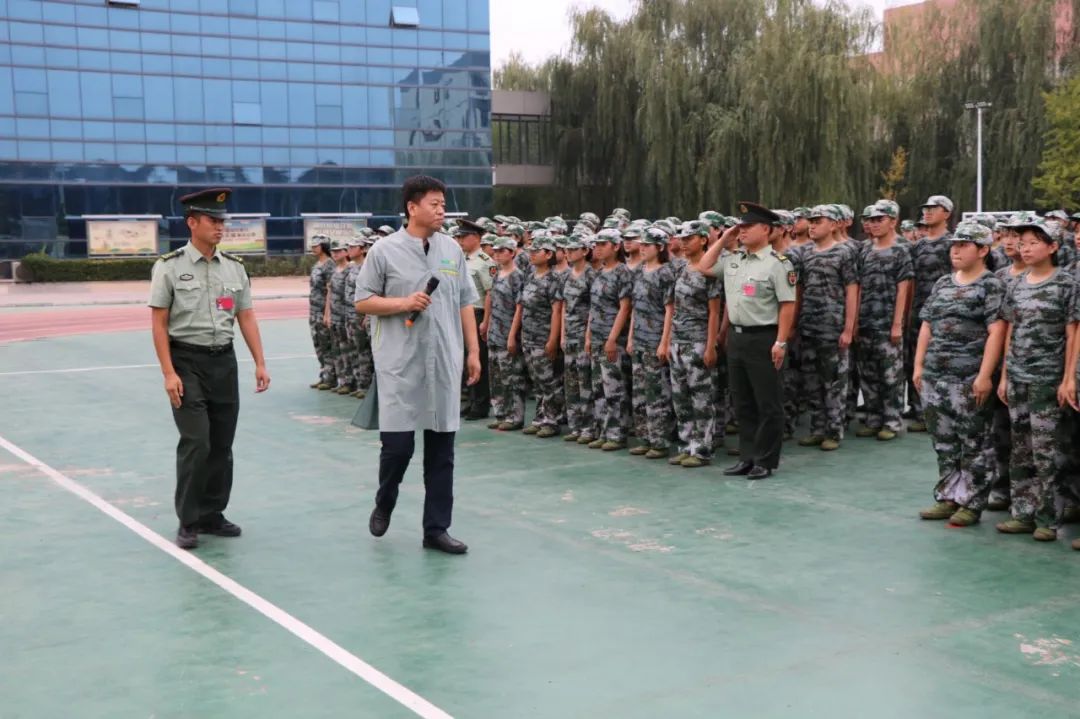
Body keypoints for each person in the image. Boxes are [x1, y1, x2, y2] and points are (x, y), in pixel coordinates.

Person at [355, 176, 480, 555]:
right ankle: (385, 499)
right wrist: (402, 304)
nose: (442, 210)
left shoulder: (451, 250)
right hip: (400, 362)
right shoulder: (384, 251)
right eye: (434, 203)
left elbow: (464, 302)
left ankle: (436, 529)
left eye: (443, 204)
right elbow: (363, 302)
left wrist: (473, 351)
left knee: (442, 451)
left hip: (443, 360)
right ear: (412, 207)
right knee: (398, 448)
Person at [149, 188, 271, 549]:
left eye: (222, 221)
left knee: (221, 444)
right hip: (186, 361)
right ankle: (188, 519)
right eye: (212, 221)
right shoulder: (169, 267)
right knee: (196, 442)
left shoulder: (234, 268)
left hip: (224, 362)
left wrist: (260, 362)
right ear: (192, 222)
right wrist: (168, 373)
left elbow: (246, 315)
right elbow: (158, 323)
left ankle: (212, 514)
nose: (220, 227)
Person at [913, 222, 1007, 527]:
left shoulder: (990, 285)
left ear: (983, 250)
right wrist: (918, 366)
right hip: (935, 374)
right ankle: (949, 495)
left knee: (974, 443)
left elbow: (997, 332)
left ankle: (972, 502)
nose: (955, 250)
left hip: (967, 377)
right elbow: (926, 325)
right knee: (944, 442)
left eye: (964, 245)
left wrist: (984, 375)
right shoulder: (943, 283)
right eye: (954, 244)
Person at [996, 216, 1080, 543]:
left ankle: (1048, 517)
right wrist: (1004, 375)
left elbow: (1073, 332)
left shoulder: (1066, 284)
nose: (1025, 248)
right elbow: (1010, 331)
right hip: (1018, 376)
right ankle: (1023, 512)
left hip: (1048, 376)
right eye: (1023, 242)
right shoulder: (1015, 284)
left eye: (1034, 243)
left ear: (1053, 247)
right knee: (1021, 447)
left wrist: (1068, 378)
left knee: (1047, 450)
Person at [700, 202, 796, 479]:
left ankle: (765, 461)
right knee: (742, 403)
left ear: (765, 229)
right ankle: (747, 457)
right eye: (739, 226)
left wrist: (780, 342)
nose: (741, 231)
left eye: (747, 227)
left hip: (764, 337)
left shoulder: (777, 264)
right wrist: (723, 239)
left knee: (767, 403)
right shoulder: (734, 259)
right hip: (737, 338)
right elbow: (704, 266)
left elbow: (787, 305)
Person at [796, 204, 859, 452]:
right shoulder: (806, 254)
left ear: (833, 225)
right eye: (810, 221)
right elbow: (800, 290)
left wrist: (848, 327)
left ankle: (834, 430)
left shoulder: (845, 252)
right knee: (812, 381)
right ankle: (817, 428)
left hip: (833, 328)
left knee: (834, 381)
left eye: (818, 221)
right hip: (809, 326)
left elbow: (852, 290)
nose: (812, 225)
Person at [854, 200, 913, 441]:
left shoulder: (901, 250)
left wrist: (897, 323)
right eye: (871, 220)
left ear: (893, 221)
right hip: (866, 320)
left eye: (880, 219)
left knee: (891, 375)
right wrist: (855, 320)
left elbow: (904, 288)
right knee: (867, 372)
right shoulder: (865, 249)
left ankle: (892, 420)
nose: (874, 224)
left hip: (888, 321)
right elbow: (856, 287)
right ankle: (873, 417)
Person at [667, 221, 721, 468]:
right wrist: (669, 341)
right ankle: (686, 444)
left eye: (689, 238)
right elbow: (674, 308)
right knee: (681, 398)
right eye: (682, 239)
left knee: (701, 398)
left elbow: (714, 313)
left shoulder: (709, 271)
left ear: (703, 240)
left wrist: (711, 346)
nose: (684, 242)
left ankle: (702, 448)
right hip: (678, 341)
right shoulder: (680, 268)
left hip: (698, 340)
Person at [627, 227, 676, 459]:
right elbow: (634, 308)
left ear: (660, 247)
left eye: (647, 245)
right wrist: (629, 338)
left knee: (656, 392)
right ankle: (644, 437)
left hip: (655, 338)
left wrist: (664, 342)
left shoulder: (665, 273)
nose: (642, 248)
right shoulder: (639, 271)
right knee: (639, 393)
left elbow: (670, 310)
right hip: (638, 339)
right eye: (641, 244)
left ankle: (659, 440)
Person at [907, 195, 955, 432]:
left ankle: (942, 411)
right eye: (925, 208)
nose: (927, 212)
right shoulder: (918, 246)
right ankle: (920, 411)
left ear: (946, 214)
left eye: (933, 209)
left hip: (946, 312)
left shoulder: (953, 244)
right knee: (917, 360)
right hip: (919, 310)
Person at [511, 235, 565, 437]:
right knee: (537, 380)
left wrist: (552, 339)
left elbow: (557, 311)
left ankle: (552, 420)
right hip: (529, 336)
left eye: (537, 251)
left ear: (549, 254)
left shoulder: (554, 280)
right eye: (531, 251)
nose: (532, 254)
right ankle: (540, 418)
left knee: (549, 380)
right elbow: (522, 306)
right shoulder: (530, 275)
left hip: (543, 337)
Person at [586, 228, 633, 451]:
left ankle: (617, 433)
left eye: (603, 244)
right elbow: (593, 308)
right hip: (595, 337)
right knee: (598, 387)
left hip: (611, 339)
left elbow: (624, 308)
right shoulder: (599, 272)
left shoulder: (622, 272)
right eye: (596, 244)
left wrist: (612, 339)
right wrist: (588, 336)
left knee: (613, 387)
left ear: (616, 247)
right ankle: (603, 430)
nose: (598, 248)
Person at [480, 235, 526, 431]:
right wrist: (486, 322)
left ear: (512, 253)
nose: (497, 255)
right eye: (496, 251)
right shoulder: (497, 274)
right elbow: (490, 298)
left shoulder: (518, 276)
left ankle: (515, 416)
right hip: (494, 331)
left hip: (508, 330)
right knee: (496, 375)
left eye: (502, 251)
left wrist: (512, 335)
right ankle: (501, 412)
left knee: (512, 376)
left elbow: (519, 307)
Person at [559, 235, 598, 445]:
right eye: (567, 249)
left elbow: (594, 307)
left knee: (585, 383)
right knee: (571, 383)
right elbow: (564, 305)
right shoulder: (567, 275)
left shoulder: (591, 275)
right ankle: (575, 425)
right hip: (570, 334)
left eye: (574, 249)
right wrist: (564, 334)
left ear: (584, 251)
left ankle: (588, 427)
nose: (569, 252)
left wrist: (588, 335)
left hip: (583, 333)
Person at [456, 219, 495, 420]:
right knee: (466, 361)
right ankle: (471, 401)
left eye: (464, 236)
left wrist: (485, 321)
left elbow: (490, 293)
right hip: (463, 313)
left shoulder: (485, 262)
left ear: (476, 238)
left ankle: (480, 405)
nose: (460, 240)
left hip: (478, 313)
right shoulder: (461, 259)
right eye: (459, 236)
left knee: (478, 359)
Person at [345, 236, 374, 399]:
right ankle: (360, 383)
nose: (350, 249)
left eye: (353, 246)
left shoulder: (367, 268)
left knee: (367, 352)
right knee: (356, 350)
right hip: (350, 315)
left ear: (362, 249)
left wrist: (367, 315)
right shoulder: (352, 267)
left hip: (363, 315)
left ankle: (369, 385)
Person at [307, 234, 336, 390]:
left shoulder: (329, 265)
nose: (313, 248)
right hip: (314, 311)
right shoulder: (317, 264)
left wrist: (327, 313)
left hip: (323, 310)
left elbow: (330, 289)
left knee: (327, 344)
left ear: (324, 246)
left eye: (316, 245)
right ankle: (324, 374)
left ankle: (331, 377)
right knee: (318, 343)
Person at [327, 238, 355, 395]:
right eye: (333, 251)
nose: (335, 254)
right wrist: (328, 314)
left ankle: (351, 381)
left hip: (346, 316)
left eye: (338, 251)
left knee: (348, 350)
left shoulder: (350, 270)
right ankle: (341, 380)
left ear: (346, 252)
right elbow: (329, 294)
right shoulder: (334, 270)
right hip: (335, 316)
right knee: (337, 349)